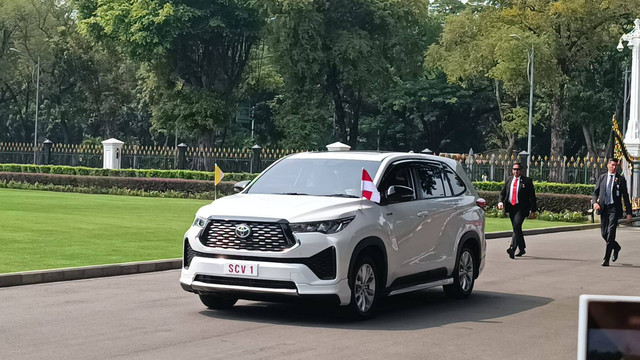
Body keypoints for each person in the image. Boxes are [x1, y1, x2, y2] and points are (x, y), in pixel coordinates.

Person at [592, 158, 632, 267]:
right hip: (603, 208)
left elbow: (626, 197)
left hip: (614, 209)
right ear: (608, 165)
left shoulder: (620, 179)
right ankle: (616, 247)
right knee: (604, 233)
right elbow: (595, 192)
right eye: (612, 165)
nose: (614, 167)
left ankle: (606, 258)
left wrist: (629, 213)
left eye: (616, 166)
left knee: (611, 233)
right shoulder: (602, 178)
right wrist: (595, 203)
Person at [498, 162, 537, 259]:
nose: (516, 171)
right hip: (511, 207)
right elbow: (503, 192)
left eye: (518, 169)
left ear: (521, 171)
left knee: (516, 225)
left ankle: (512, 248)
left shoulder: (527, 181)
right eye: (514, 169)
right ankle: (522, 248)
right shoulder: (509, 180)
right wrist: (500, 201)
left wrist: (533, 210)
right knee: (517, 228)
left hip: (521, 208)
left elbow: (532, 197)